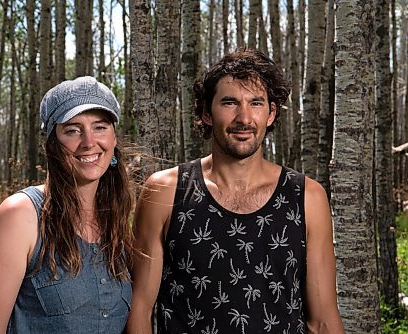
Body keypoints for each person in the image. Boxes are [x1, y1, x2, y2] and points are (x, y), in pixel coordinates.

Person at [126, 49, 344, 333]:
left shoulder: (306, 197)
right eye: (229, 102)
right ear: (206, 112)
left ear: (271, 113)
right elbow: (139, 309)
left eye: (256, 103)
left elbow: (324, 320)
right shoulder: (166, 191)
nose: (244, 118)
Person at [0, 76, 134, 333]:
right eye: (72, 130)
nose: (89, 142)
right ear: (53, 144)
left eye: (100, 127)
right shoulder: (20, 216)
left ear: (113, 138)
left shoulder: (117, 223)